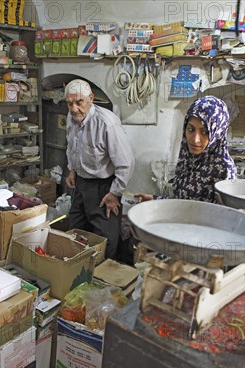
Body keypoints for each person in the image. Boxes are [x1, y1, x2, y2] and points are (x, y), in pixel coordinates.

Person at [64, 79, 135, 260]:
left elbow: (126, 163)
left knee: (105, 240)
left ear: (91, 99)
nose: (73, 108)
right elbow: (72, 146)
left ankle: (103, 276)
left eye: (79, 102)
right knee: (76, 231)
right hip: (81, 184)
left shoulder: (106, 123)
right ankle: (78, 271)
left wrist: (114, 193)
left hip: (104, 189)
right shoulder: (71, 118)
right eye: (69, 103)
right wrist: (72, 169)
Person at [136, 95, 236, 203]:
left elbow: (224, 216)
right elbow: (182, 201)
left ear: (217, 133)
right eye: (191, 129)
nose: (195, 140)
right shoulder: (188, 158)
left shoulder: (223, 169)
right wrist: (155, 199)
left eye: (205, 132)